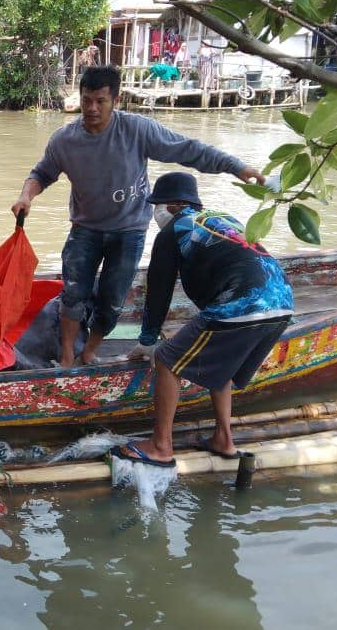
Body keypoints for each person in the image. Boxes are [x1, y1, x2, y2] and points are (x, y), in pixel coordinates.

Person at [11, 64, 266, 368]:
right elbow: (42, 173)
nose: (91, 108)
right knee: (74, 293)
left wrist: (237, 167)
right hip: (85, 229)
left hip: (129, 230)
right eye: (86, 100)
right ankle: (67, 356)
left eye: (100, 101)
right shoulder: (64, 140)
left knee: (113, 300)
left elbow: (189, 150)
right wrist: (26, 196)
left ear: (115, 101)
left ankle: (89, 351)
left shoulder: (137, 130)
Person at [111, 172, 294, 467]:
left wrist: (147, 341)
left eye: (157, 206)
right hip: (282, 303)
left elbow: (159, 291)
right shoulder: (223, 218)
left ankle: (160, 447)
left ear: (172, 205)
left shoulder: (174, 230)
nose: (156, 212)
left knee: (166, 359)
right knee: (223, 364)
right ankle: (224, 439)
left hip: (241, 305)